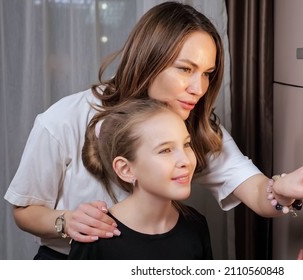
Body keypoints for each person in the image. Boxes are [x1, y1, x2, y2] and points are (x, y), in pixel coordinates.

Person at [4, 1, 303, 259]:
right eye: (186, 69)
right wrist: (66, 222)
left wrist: (283, 187)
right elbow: (24, 211)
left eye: (208, 73)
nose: (198, 88)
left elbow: (259, 194)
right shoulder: (63, 119)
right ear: (148, 60)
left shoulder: (197, 124)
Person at [68, 98, 212, 259]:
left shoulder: (196, 225)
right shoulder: (95, 237)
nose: (185, 161)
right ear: (126, 169)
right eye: (165, 150)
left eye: (186, 144)